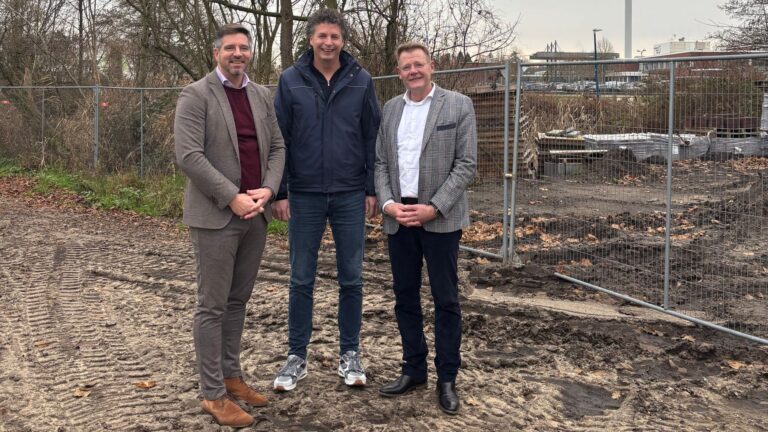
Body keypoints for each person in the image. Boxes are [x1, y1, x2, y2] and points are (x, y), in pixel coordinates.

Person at [174, 23, 285, 428]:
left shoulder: (261, 95)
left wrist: (268, 189)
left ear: (250, 53)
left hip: (256, 214)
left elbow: (277, 147)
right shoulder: (196, 95)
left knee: (237, 302)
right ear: (216, 53)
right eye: (230, 48)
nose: (238, 53)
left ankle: (231, 377)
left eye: (244, 47)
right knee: (212, 306)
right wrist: (232, 196)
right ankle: (212, 395)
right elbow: (188, 156)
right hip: (217, 216)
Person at [271, 8, 381, 391]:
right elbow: (279, 140)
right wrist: (280, 191)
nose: (328, 43)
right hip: (304, 194)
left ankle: (350, 354)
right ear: (311, 40)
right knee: (301, 278)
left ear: (343, 41)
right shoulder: (290, 80)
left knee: (352, 278)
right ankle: (295, 357)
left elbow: (372, 137)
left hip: (350, 193)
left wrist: (371, 188)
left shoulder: (361, 81)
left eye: (335, 36)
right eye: (322, 36)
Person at [374, 42, 477, 415]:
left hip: (440, 219)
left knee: (446, 299)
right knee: (405, 297)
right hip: (399, 217)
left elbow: (466, 165)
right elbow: (380, 163)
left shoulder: (458, 105)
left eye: (418, 64)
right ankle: (413, 369)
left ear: (431, 66)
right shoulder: (390, 109)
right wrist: (388, 204)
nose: (413, 71)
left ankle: (447, 377)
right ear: (399, 72)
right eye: (406, 67)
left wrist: (434, 208)